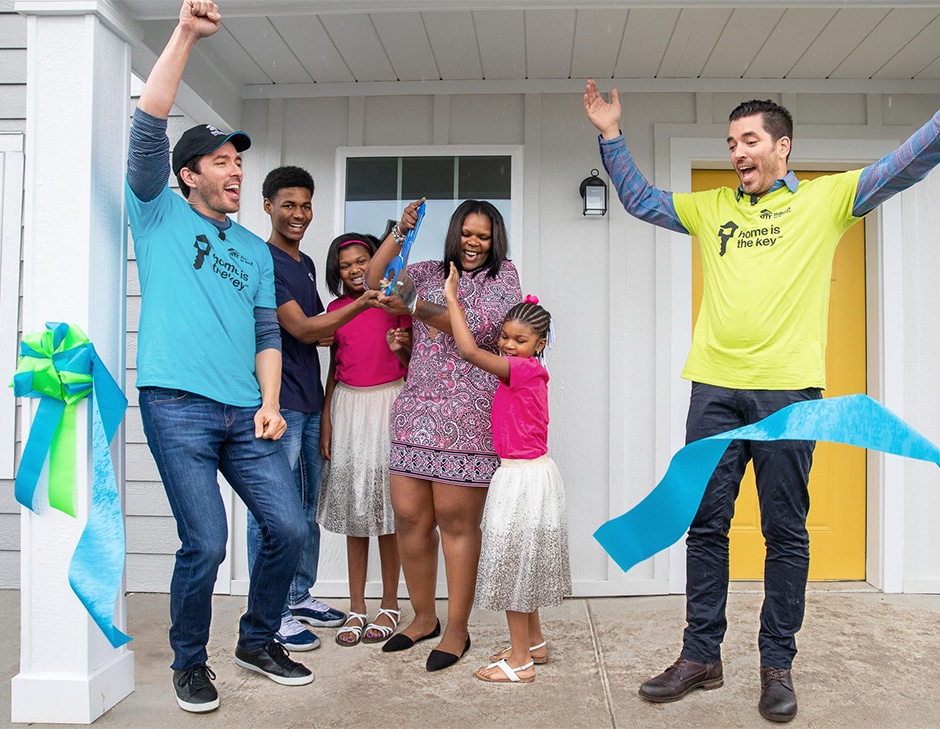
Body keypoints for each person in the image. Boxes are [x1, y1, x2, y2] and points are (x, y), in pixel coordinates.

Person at [583, 79, 940, 722]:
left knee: (784, 530)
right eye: (730, 143)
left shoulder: (829, 199)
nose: (739, 152)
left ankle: (777, 666)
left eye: (750, 141)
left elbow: (905, 163)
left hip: (788, 395)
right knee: (706, 524)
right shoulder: (713, 206)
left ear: (783, 146)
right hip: (714, 391)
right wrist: (612, 134)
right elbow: (639, 200)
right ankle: (701, 656)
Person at [126, 0, 313, 713]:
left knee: (288, 526)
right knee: (203, 539)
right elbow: (149, 122)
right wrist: (183, 35)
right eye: (221, 162)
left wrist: (270, 403)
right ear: (187, 176)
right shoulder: (158, 209)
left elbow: (270, 334)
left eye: (239, 161)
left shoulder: (252, 250)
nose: (236, 172)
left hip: (245, 408)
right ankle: (188, 660)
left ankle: (258, 637)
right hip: (175, 401)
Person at [365, 200, 522, 672]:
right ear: (454, 232)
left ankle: (457, 629)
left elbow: (473, 329)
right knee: (410, 518)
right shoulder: (428, 269)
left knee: (456, 522)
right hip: (416, 410)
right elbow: (376, 281)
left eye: (484, 235)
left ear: (495, 240)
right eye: (467, 233)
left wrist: (413, 306)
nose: (474, 243)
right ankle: (423, 618)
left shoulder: (504, 278)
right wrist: (400, 231)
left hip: (468, 414)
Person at [246, 165, 374, 652]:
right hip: (278, 403)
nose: (298, 214)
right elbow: (303, 329)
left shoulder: (302, 264)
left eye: (305, 205)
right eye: (288, 205)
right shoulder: (266, 261)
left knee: (306, 508)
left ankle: (298, 595)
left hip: (308, 398)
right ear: (268, 206)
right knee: (274, 513)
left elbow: (323, 331)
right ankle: (271, 613)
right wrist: (365, 302)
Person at [443, 272, 571, 684]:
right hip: (521, 474)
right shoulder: (524, 369)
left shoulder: (525, 371)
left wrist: (451, 297)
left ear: (540, 344)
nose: (508, 345)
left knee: (512, 564)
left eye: (519, 340)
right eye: (505, 337)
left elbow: (466, 350)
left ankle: (520, 661)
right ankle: (533, 642)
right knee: (521, 560)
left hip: (523, 478)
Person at [316, 233, 412, 647]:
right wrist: (326, 420)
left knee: (390, 514)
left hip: (389, 406)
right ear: (336, 275)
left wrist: (401, 349)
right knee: (358, 514)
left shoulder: (396, 307)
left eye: (363, 260)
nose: (356, 269)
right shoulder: (337, 311)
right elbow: (335, 369)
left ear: (378, 260)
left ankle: (390, 603)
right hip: (349, 411)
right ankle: (357, 607)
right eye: (346, 265)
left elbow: (411, 364)